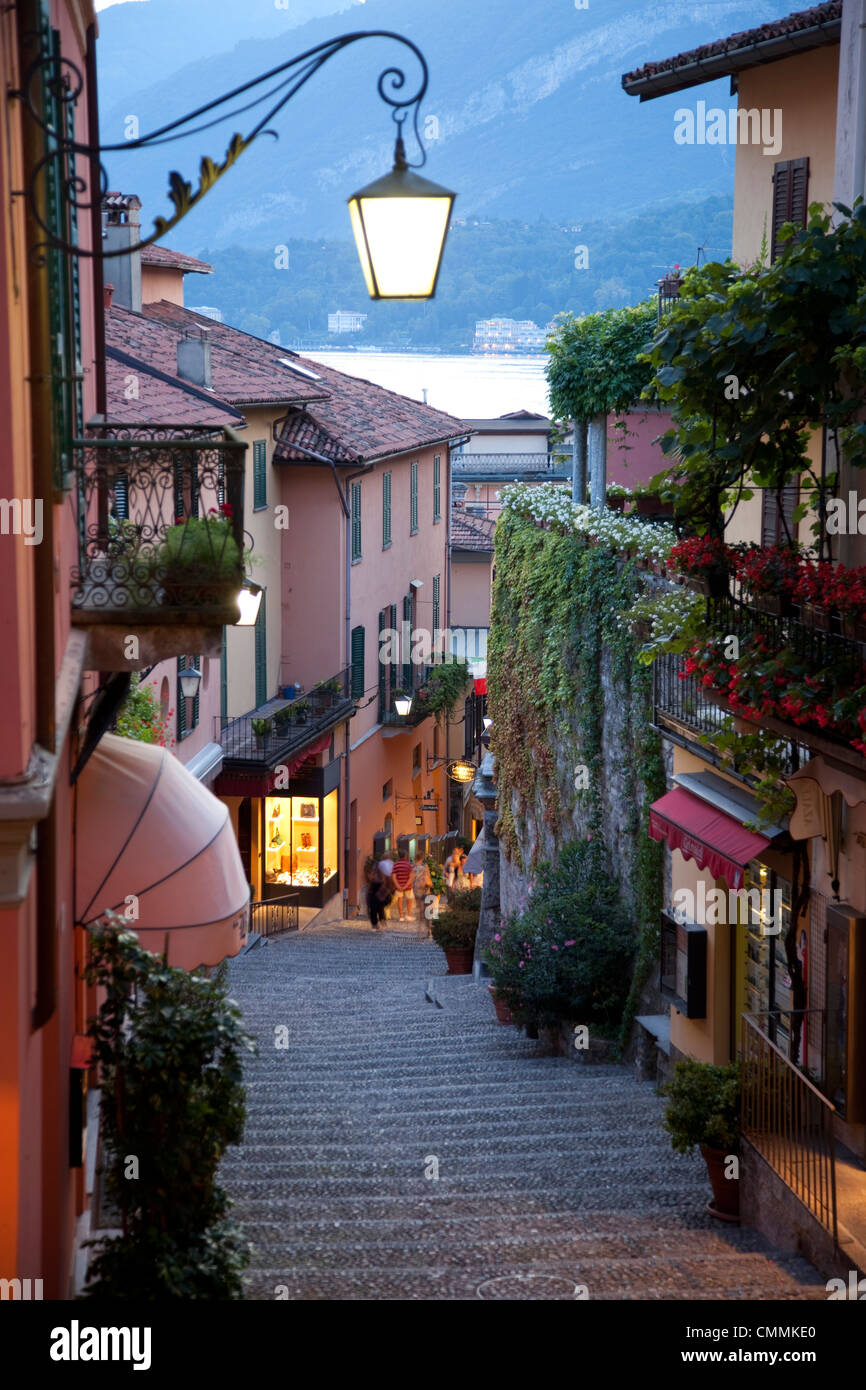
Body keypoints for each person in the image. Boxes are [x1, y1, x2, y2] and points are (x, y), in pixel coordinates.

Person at [412, 852, 433, 939]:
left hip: (417, 891)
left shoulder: (413, 867)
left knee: (420, 911)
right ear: (422, 858)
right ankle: (429, 931)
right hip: (426, 890)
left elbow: (412, 880)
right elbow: (429, 878)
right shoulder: (425, 867)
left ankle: (419, 933)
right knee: (428, 911)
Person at [391, 852, 414, 921]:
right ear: (405, 856)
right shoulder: (408, 864)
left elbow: (393, 877)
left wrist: (398, 886)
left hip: (398, 886)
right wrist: (406, 885)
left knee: (400, 900)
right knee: (410, 900)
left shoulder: (395, 865)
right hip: (408, 886)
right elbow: (411, 877)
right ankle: (408, 915)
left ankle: (401, 916)